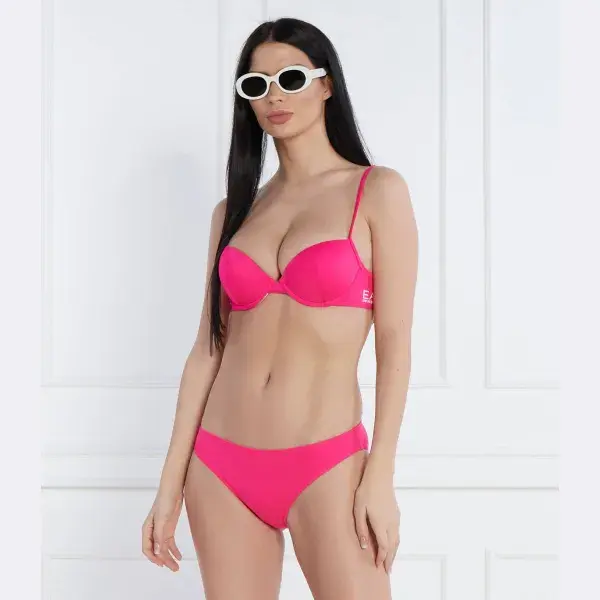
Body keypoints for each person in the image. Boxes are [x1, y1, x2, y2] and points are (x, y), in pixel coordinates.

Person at [141, 16, 418, 599]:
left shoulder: (377, 192)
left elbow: (394, 344)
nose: (274, 96)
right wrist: (169, 487)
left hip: (327, 463)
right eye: (256, 84)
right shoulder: (233, 213)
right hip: (219, 467)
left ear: (326, 85)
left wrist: (381, 474)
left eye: (290, 78)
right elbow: (206, 351)